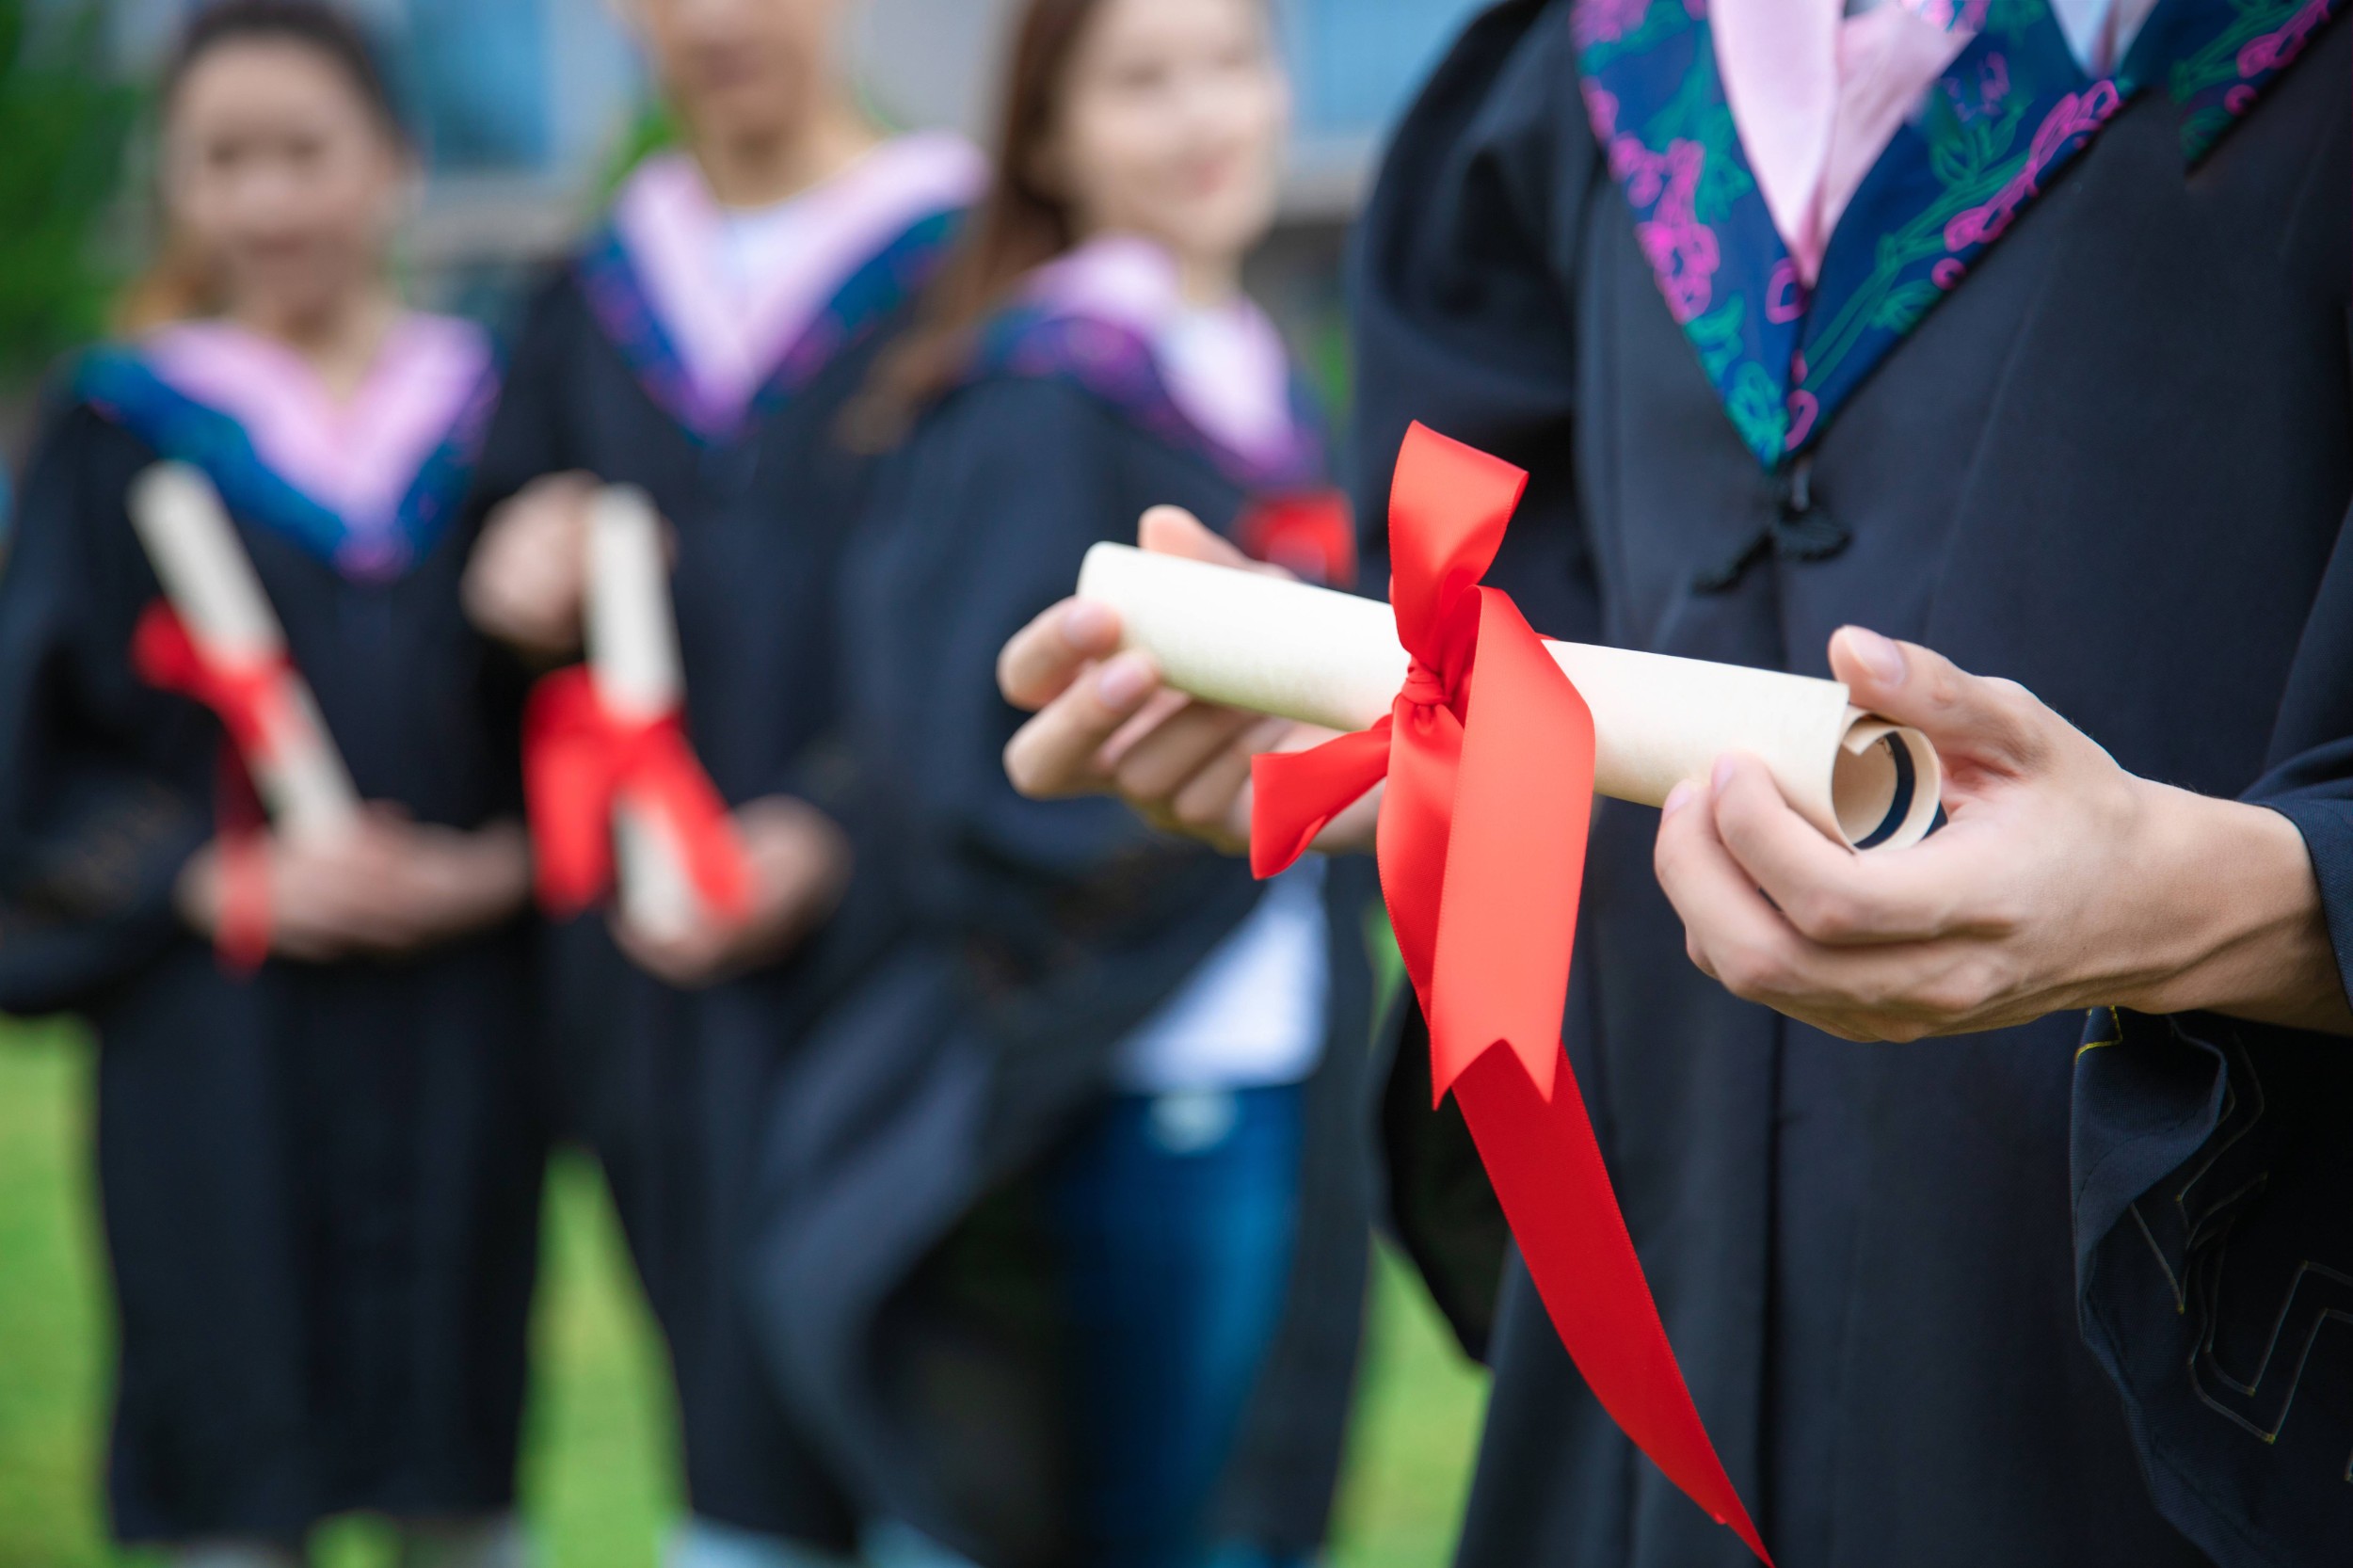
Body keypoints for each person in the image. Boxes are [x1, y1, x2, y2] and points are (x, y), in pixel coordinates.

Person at [992, 0, 2353, 1564]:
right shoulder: (1591, 69)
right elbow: (1533, 637)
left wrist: (2210, 906)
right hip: (1663, 1312)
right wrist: (1394, 739)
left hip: (2132, 1383)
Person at [744, 2, 1377, 1565]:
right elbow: (969, 759)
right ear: (1047, 135)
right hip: (1135, 1079)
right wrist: (1287, 801)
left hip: (1277, 1049)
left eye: (1232, 62)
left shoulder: (1253, 369)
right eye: (1142, 81)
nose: (1203, 113)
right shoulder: (1044, 391)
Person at [0, 4, 542, 1563]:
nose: (267, 199)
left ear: (395, 164)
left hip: (452, 1041)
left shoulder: (492, 410)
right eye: (222, 160)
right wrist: (211, 874)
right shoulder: (121, 429)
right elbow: (34, 754)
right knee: (234, 1458)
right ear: (174, 181)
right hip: (212, 1045)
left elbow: (586, 712)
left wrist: (492, 868)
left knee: (455, 1460)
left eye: (305, 152)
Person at [456, 2, 984, 1562]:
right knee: (730, 1436)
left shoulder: (969, 268)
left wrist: (831, 823)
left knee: (935, 1422)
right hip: (673, 990)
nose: (719, 19)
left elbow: (997, 605)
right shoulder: (592, 298)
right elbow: (476, 638)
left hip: (920, 961)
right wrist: (506, 578)